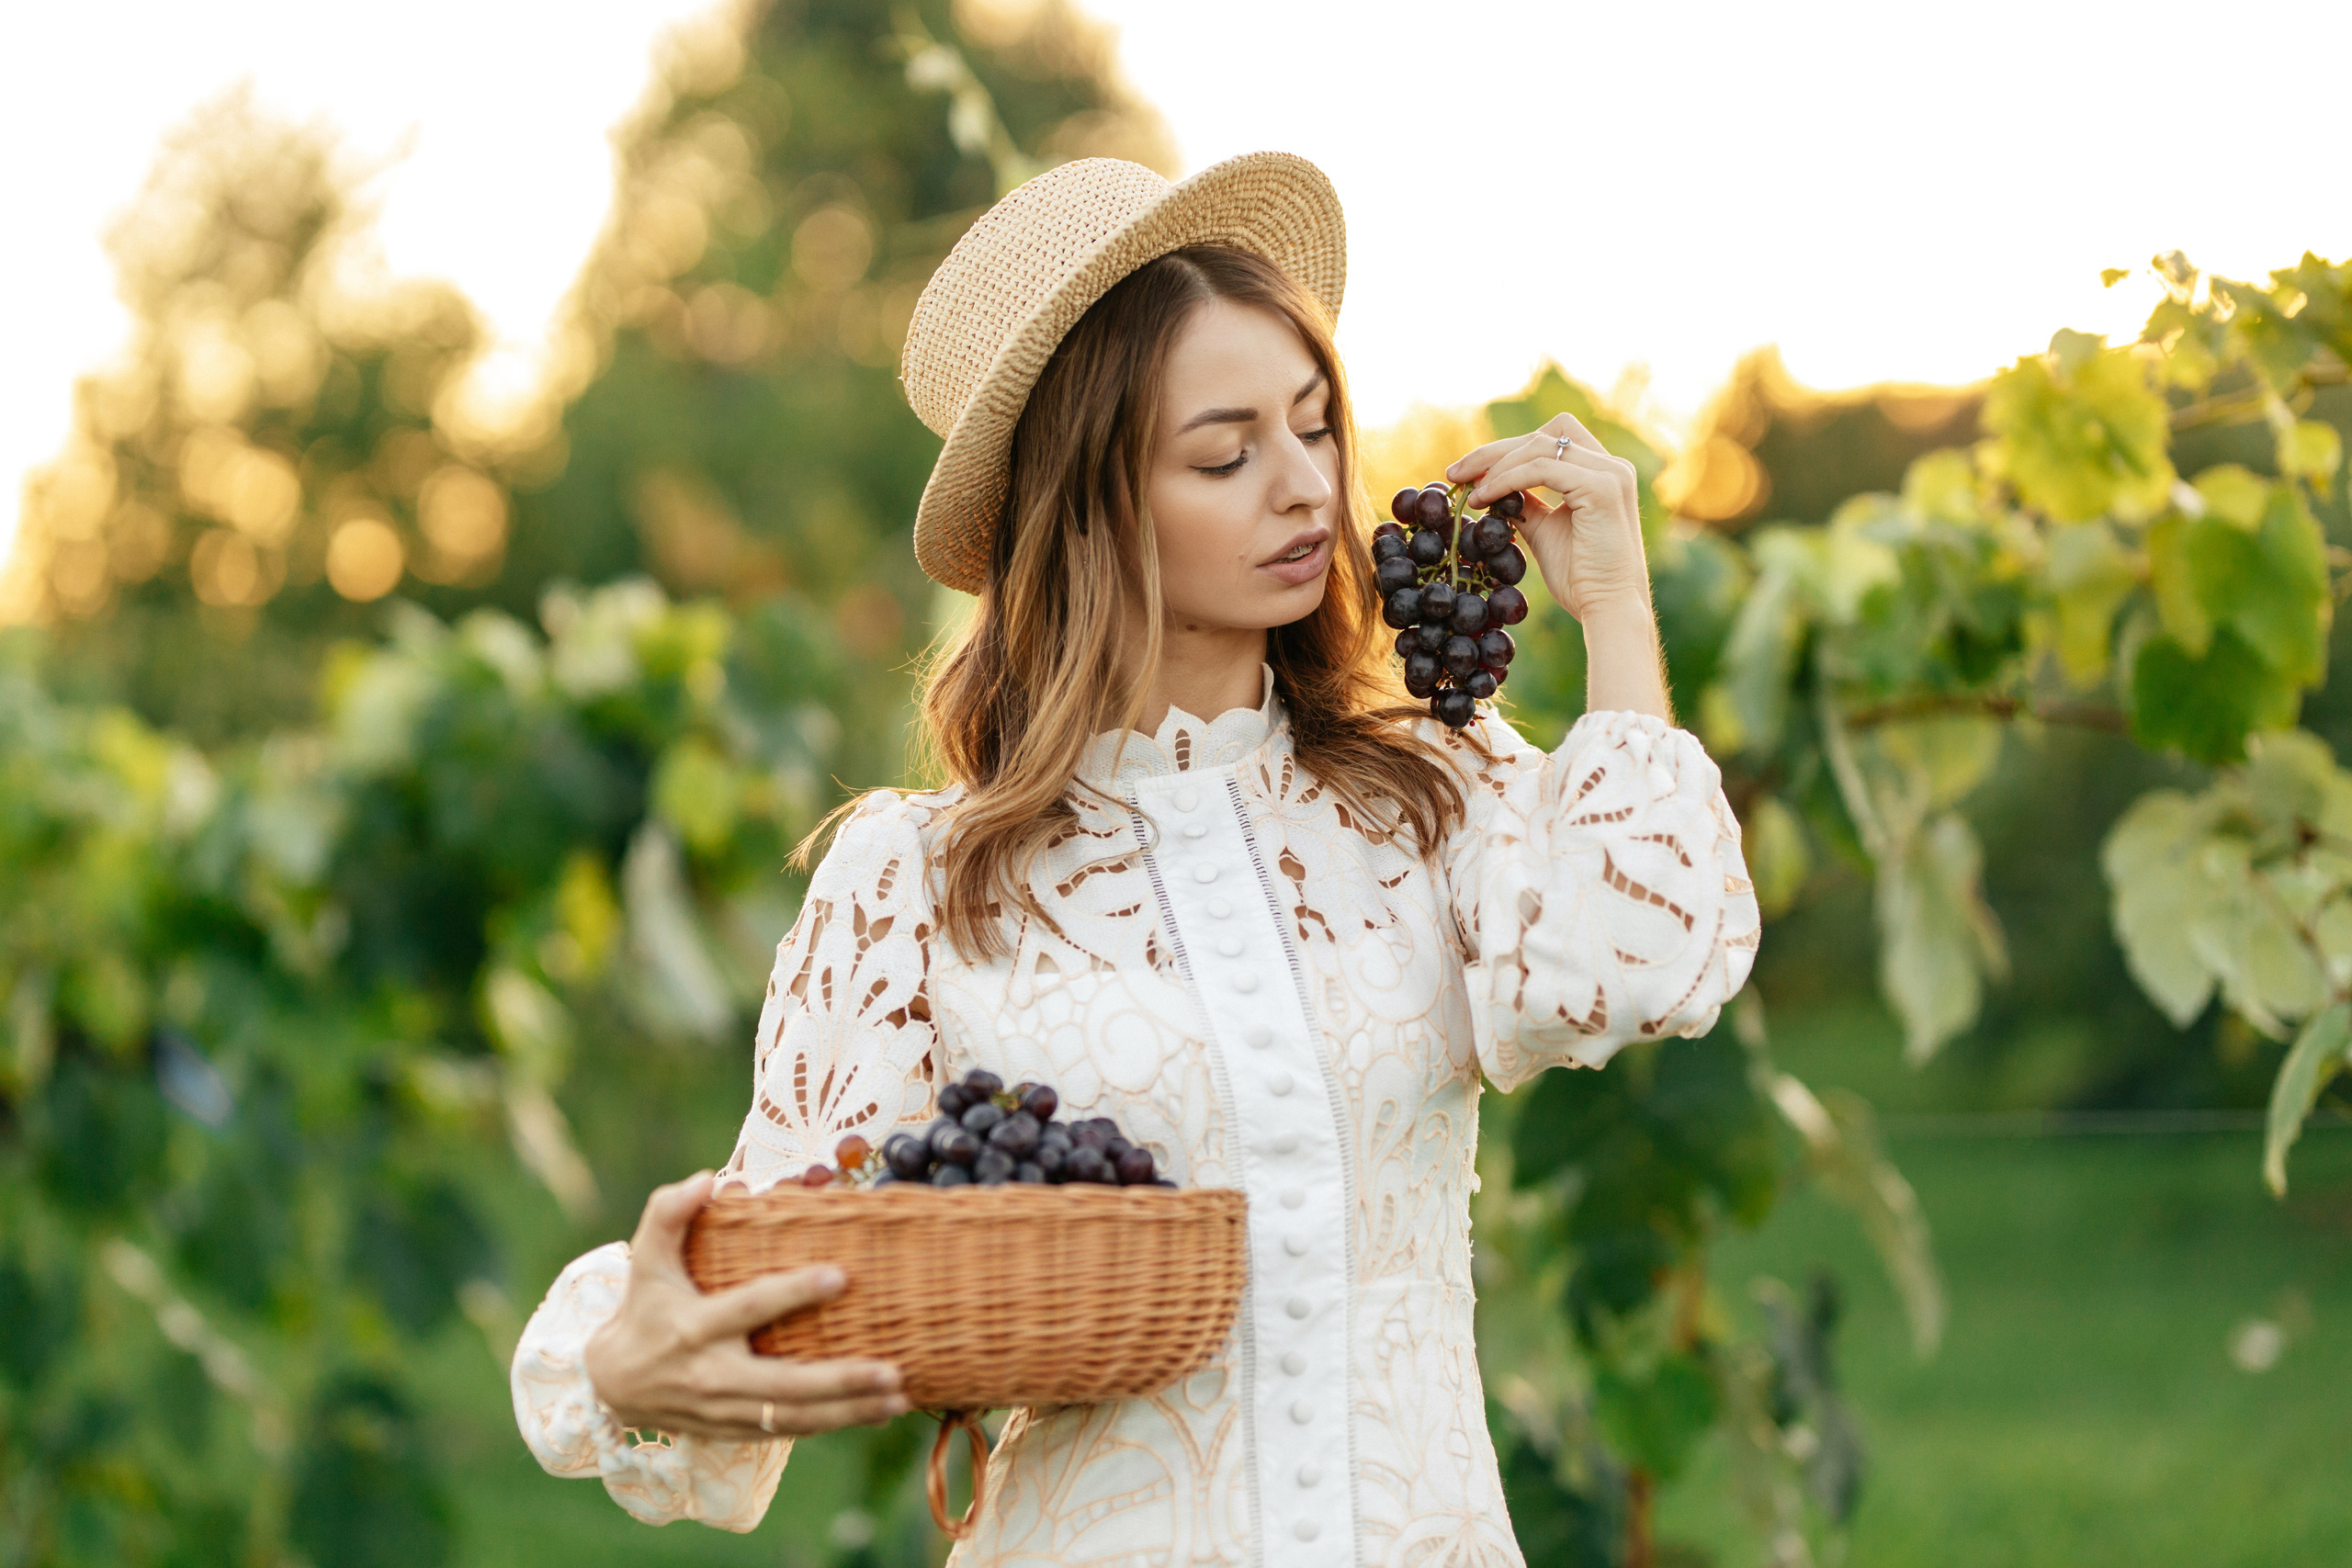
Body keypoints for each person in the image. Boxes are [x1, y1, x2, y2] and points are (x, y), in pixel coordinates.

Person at [510, 151, 1760, 1564]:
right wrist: (615, 1367)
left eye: (1314, 426)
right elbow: (786, 1263)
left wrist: (1613, 609)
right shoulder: (914, 883)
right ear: (1093, 505)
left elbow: (1643, 970)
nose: (1305, 489)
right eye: (1224, 455)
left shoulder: (1428, 794)